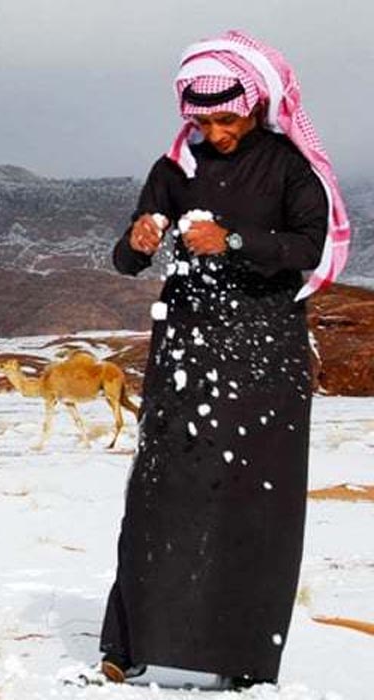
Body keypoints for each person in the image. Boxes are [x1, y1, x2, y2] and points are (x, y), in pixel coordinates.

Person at [99, 30, 351, 689]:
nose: (215, 130)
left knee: (253, 500)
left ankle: (241, 658)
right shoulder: (173, 170)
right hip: (185, 347)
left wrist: (232, 240)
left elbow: (307, 247)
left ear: (256, 105)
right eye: (202, 119)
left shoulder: (290, 168)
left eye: (227, 118)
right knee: (159, 492)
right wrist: (138, 238)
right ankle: (128, 647)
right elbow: (125, 261)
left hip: (266, 348)